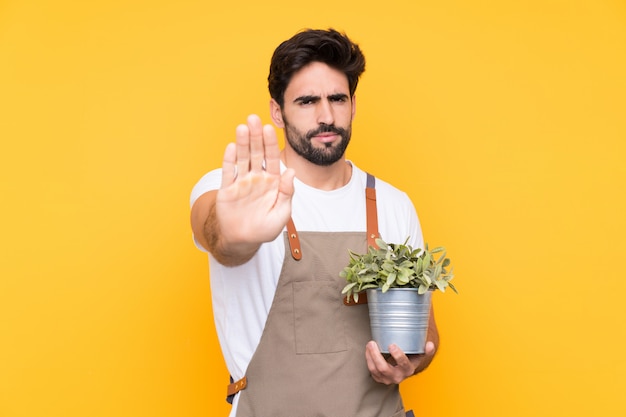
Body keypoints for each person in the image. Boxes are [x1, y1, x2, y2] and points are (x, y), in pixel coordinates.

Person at [190, 28, 439, 417]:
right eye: (307, 101)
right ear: (278, 111)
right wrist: (233, 231)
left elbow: (425, 337)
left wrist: (410, 363)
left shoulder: (394, 204)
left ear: (353, 105)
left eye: (337, 99)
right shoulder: (238, 190)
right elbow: (218, 235)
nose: (326, 116)